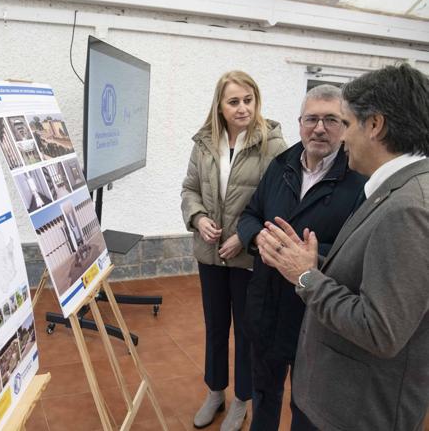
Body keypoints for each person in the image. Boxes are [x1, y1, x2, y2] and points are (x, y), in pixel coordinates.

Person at [257, 63, 429, 430]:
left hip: (352, 411)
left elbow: (379, 330)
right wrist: (305, 258)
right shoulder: (396, 190)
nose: (341, 137)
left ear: (375, 125)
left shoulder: (410, 208)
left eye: (345, 123)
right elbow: (368, 272)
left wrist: (303, 275)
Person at [236, 84, 366, 430]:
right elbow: (249, 215)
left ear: (346, 126)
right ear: (299, 123)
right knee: (264, 394)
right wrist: (258, 238)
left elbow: (357, 253)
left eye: (331, 120)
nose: (319, 128)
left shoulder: (359, 181)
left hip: (315, 317)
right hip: (266, 308)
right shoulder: (281, 165)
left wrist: (305, 256)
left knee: (307, 407)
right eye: (312, 119)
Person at [181, 70, 287, 430]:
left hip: (246, 256)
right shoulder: (205, 142)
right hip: (209, 253)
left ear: (256, 101)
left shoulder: (272, 144)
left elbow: (277, 201)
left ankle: (242, 398)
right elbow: (189, 189)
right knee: (214, 326)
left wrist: (244, 236)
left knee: (246, 329)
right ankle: (215, 391)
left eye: (248, 100)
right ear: (220, 106)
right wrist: (197, 219)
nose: (242, 108)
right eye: (234, 101)